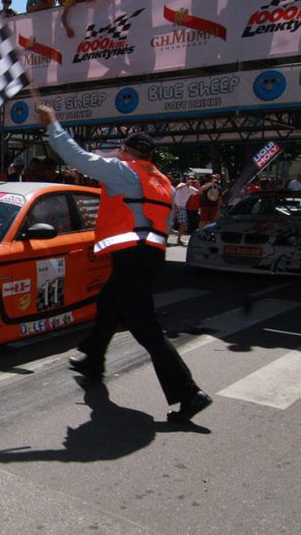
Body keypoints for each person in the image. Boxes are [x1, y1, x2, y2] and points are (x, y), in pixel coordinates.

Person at [37, 105, 211, 423]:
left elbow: (77, 158)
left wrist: (52, 126)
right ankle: (92, 360)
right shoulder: (161, 181)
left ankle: (189, 393)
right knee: (108, 304)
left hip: (132, 257)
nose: (118, 153)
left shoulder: (125, 171)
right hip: (150, 256)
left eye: (121, 149)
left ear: (127, 151)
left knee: (146, 329)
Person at [172, 178, 200, 245]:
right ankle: (166, 239)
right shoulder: (182, 184)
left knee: (183, 224)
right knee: (170, 222)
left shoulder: (191, 188)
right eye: (190, 179)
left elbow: (199, 192)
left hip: (182, 207)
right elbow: (177, 188)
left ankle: (179, 240)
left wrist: (198, 184)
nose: (191, 181)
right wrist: (185, 185)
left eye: (192, 180)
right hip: (175, 205)